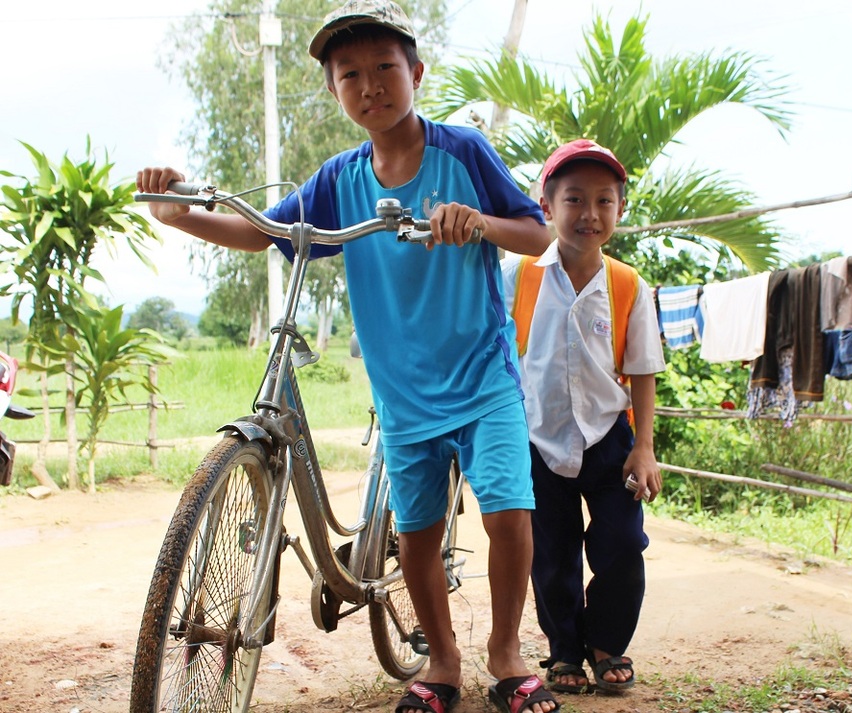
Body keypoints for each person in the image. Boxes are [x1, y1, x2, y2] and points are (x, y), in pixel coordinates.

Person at [137, 2, 560, 712]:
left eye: (385, 69)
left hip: (484, 375)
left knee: (508, 512)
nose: (370, 86)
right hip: (404, 392)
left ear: (417, 73)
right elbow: (269, 233)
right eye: (350, 75)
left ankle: (506, 651)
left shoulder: (463, 151)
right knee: (416, 535)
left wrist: (476, 221)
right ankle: (443, 661)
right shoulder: (338, 179)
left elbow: (536, 234)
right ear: (334, 91)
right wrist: (177, 213)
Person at [501, 139, 666, 695]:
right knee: (550, 552)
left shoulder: (626, 285)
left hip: (608, 437)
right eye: (574, 200)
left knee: (623, 541)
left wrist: (643, 447)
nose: (589, 214)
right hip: (535, 438)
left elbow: (643, 369)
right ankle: (565, 651)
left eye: (603, 201)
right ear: (546, 206)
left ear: (619, 210)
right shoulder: (517, 276)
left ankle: (607, 642)